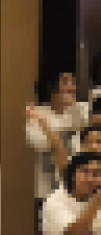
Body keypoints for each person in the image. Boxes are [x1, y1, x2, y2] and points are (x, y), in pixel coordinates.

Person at [26, 71, 85, 204]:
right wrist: (59, 131)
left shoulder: (78, 110)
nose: (71, 87)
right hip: (46, 187)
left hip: (75, 187)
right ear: (52, 86)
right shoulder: (37, 113)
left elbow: (82, 130)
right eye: (65, 82)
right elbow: (39, 143)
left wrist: (73, 108)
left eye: (73, 82)